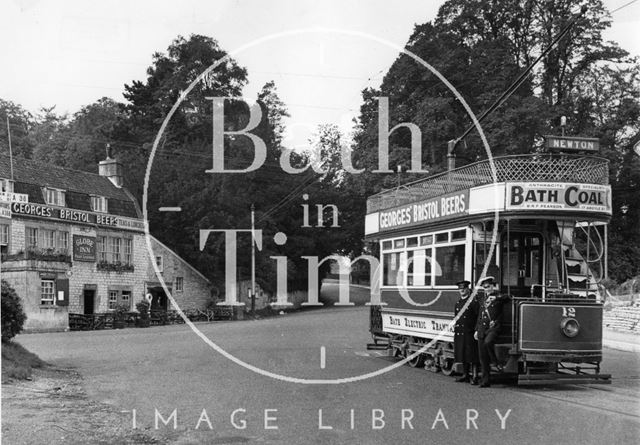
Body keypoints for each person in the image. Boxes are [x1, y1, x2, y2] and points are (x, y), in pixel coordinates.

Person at [474, 276, 507, 388]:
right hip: (482, 329)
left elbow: (508, 298)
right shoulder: (483, 300)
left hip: (493, 328)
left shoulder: (498, 297)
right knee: (483, 358)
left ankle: (496, 362)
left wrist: (498, 297)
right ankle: (485, 381)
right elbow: (480, 316)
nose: (487, 289)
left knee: (488, 342)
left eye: (488, 286)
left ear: (493, 286)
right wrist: (476, 330)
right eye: (485, 287)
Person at [453, 280, 479, 384]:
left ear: (468, 289)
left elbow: (478, 317)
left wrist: (476, 330)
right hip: (460, 332)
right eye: (460, 288)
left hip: (470, 332)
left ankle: (475, 376)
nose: (462, 290)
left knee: (472, 355)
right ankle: (465, 375)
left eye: (464, 288)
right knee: (463, 354)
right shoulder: (458, 303)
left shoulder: (473, 302)